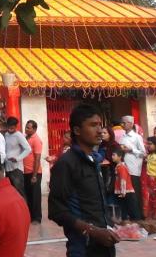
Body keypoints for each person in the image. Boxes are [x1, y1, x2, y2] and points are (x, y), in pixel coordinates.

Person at [49, 104, 119, 257]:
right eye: (93, 125)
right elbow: (57, 211)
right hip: (83, 248)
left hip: (105, 246)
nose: (100, 130)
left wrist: (121, 225)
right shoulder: (66, 164)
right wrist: (93, 231)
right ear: (77, 130)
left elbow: (94, 205)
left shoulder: (94, 160)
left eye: (100, 125)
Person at [117, 115, 145, 220]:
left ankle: (138, 216)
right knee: (126, 192)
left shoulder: (137, 137)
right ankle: (128, 214)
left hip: (134, 168)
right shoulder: (122, 137)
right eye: (122, 123)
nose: (122, 125)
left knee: (134, 193)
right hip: (124, 167)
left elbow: (143, 153)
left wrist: (131, 150)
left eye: (124, 123)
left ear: (131, 124)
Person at [4, 117, 31, 199]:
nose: (10, 129)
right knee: (11, 194)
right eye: (8, 127)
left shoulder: (19, 135)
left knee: (20, 193)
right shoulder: (6, 134)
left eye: (12, 128)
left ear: (16, 126)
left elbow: (28, 149)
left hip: (16, 169)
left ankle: (24, 211)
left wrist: (17, 158)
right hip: (7, 167)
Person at [23, 119, 44, 223]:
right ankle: (31, 216)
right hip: (25, 171)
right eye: (26, 127)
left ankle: (37, 218)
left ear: (34, 129)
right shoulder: (25, 138)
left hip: (34, 172)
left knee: (35, 196)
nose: (26, 129)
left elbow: (37, 158)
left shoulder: (36, 140)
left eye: (28, 127)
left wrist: (34, 175)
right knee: (28, 195)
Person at [111, 149, 138, 222]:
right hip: (123, 192)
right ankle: (126, 225)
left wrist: (123, 192)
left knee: (131, 210)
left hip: (126, 192)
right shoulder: (118, 166)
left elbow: (123, 180)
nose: (112, 157)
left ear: (120, 157)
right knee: (124, 210)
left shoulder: (122, 167)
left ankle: (136, 225)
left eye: (114, 155)